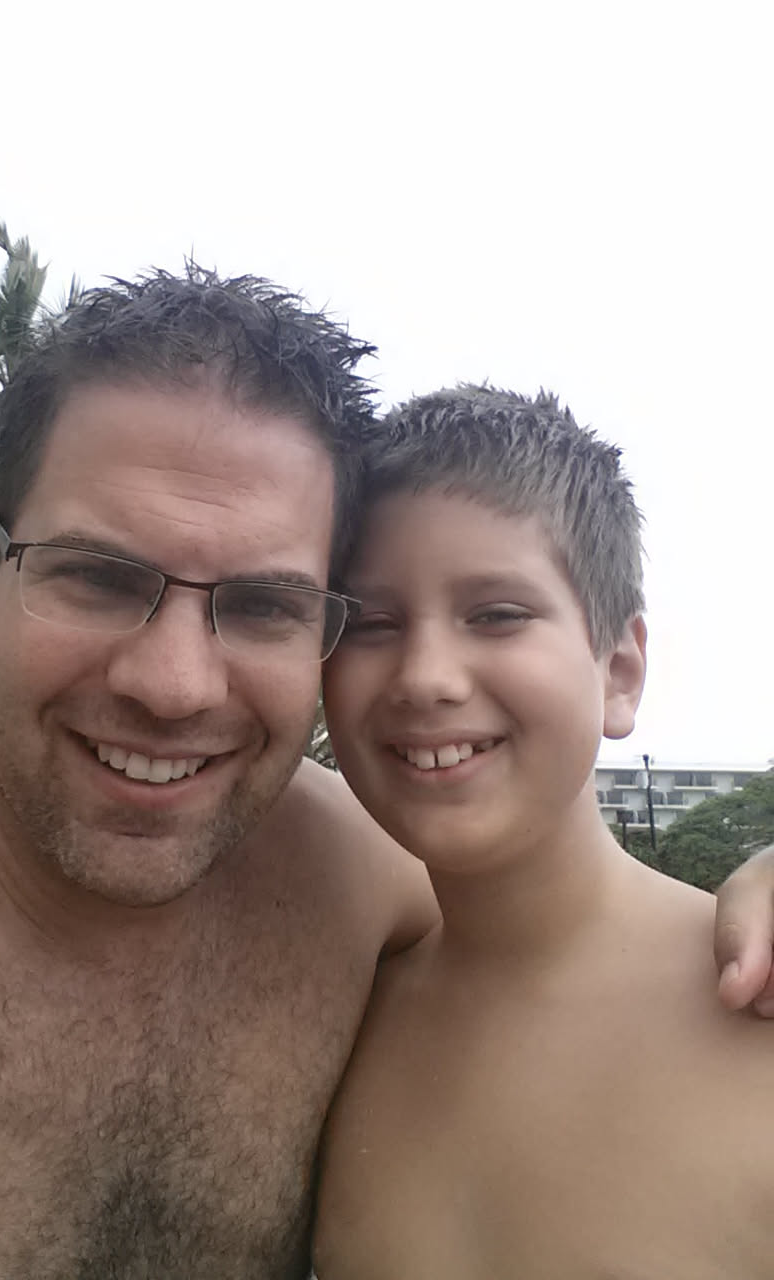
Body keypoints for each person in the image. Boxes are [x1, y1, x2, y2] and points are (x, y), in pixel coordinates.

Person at [0, 274, 770, 1280]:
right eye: (97, 576)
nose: (173, 686)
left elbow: (543, 910)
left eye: (263, 603)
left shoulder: (348, 879)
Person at [314, 386, 774, 1279]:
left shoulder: (754, 1005)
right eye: (371, 623)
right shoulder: (330, 1012)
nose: (426, 676)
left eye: (497, 615)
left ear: (620, 672)